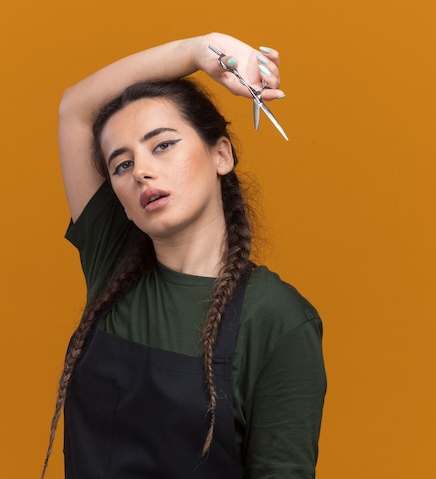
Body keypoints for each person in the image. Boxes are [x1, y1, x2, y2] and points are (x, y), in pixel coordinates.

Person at [42, 32, 327, 479]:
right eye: (121, 164)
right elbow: (75, 109)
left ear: (221, 154)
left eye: (162, 145)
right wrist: (199, 50)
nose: (141, 171)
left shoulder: (278, 319)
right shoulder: (111, 263)